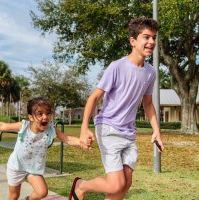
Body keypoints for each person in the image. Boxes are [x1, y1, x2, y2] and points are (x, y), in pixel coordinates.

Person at [69, 17, 165, 200]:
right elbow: (94, 97)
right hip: (108, 128)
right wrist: (83, 128)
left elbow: (148, 104)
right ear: (133, 41)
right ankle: (81, 186)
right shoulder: (117, 67)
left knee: (125, 183)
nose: (151, 42)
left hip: (129, 132)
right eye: (146, 37)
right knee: (115, 184)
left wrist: (157, 131)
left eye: (154, 37)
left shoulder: (150, 73)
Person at [0, 97, 90, 200]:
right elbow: (2, 126)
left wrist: (81, 141)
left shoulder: (51, 130)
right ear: (31, 117)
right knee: (14, 196)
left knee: (42, 192)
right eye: (40, 114)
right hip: (16, 167)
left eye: (48, 113)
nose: (45, 117)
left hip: (33, 169)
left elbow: (67, 139)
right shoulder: (24, 126)